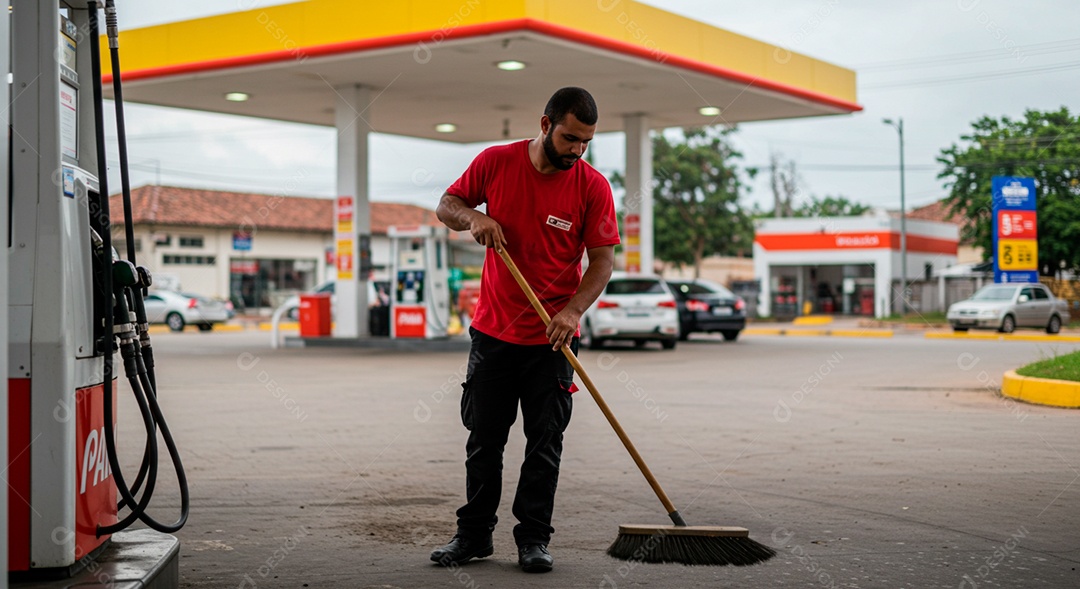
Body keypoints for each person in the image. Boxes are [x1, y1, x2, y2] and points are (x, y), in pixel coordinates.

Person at [429, 87, 619, 573]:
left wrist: (573, 312)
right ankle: (472, 537)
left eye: (586, 142)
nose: (578, 150)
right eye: (570, 138)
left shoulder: (592, 186)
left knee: (545, 443)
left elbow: (601, 263)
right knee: (484, 441)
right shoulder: (495, 162)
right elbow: (446, 205)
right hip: (493, 334)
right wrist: (475, 215)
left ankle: (533, 539)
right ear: (544, 124)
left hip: (553, 338)